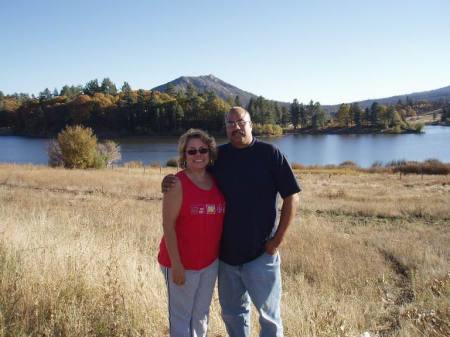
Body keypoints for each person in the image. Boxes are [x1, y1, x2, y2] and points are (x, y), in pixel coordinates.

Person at [163, 107, 300, 337]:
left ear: (251, 124)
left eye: (241, 122)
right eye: (230, 123)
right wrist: (169, 180)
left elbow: (292, 197)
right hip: (225, 260)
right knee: (233, 314)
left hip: (261, 255)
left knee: (270, 317)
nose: (236, 127)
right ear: (225, 127)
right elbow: (194, 171)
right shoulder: (219, 156)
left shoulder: (270, 154)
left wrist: (277, 241)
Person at [158, 128, 225, 337]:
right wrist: (177, 265)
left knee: (201, 315)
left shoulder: (217, 180)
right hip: (181, 263)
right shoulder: (177, 184)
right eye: (192, 151)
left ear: (210, 153)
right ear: (184, 155)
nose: (198, 155)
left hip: (209, 263)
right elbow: (168, 226)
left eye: (203, 150)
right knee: (181, 318)